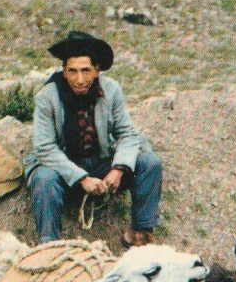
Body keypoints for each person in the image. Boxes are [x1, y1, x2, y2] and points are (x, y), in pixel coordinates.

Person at [24, 30, 162, 246]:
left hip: (101, 163)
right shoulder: (47, 97)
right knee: (43, 179)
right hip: (65, 170)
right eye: (73, 71)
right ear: (64, 71)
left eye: (86, 71)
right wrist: (81, 179)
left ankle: (141, 234)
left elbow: (126, 133)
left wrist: (119, 169)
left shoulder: (111, 90)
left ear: (97, 70)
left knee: (149, 163)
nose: (79, 79)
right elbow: (44, 148)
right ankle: (49, 245)